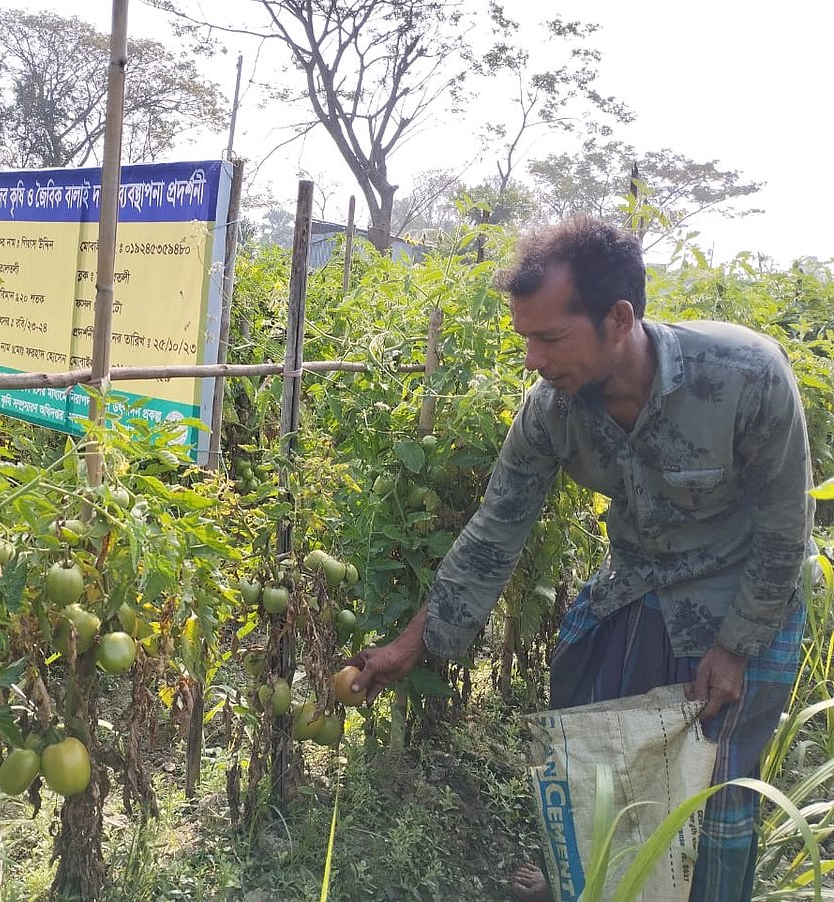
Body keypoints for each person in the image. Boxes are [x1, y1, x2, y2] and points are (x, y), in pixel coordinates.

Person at [348, 216, 815, 902]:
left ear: (618, 319)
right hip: (640, 591)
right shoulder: (552, 411)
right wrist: (410, 646)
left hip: (746, 601)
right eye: (525, 339)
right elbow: (494, 530)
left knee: (714, 807)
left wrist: (737, 648)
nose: (531, 360)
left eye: (549, 338)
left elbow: (785, 527)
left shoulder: (745, 376)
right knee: (606, 784)